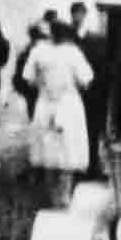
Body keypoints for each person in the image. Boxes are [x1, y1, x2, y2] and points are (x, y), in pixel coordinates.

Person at [26, 14, 95, 205]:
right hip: (68, 103)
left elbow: (29, 79)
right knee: (67, 150)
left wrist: (44, 83)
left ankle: (50, 195)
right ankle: (63, 196)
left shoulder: (39, 51)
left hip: (45, 102)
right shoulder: (73, 53)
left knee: (48, 149)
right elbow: (86, 80)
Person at [70, 0, 110, 169]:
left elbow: (101, 66)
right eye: (75, 13)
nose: (78, 17)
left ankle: (92, 165)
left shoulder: (96, 40)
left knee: (91, 130)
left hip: (91, 94)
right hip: (72, 92)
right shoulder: (67, 38)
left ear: (85, 15)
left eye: (81, 13)